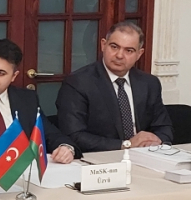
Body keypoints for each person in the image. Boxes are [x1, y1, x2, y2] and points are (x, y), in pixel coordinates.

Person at [56, 21, 173, 152]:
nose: (119, 55)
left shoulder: (149, 83)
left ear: (139, 54)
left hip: (144, 156)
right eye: (114, 47)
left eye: (129, 50)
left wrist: (155, 141)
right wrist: (126, 144)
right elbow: (74, 135)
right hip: (101, 159)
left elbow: (164, 127)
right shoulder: (78, 82)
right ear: (103, 45)